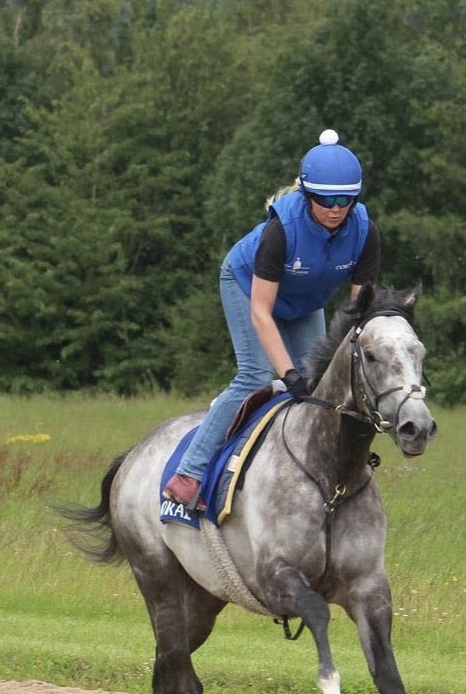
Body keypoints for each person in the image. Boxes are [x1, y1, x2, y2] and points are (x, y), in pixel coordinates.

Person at [163, 129, 380, 510]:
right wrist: (288, 374)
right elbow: (262, 312)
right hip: (248, 285)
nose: (335, 207)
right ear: (307, 195)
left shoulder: (365, 232)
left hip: (303, 299)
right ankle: (190, 474)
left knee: (320, 385)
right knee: (256, 375)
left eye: (345, 199)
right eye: (324, 199)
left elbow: (357, 314)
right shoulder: (281, 231)